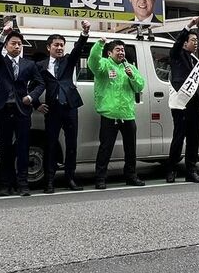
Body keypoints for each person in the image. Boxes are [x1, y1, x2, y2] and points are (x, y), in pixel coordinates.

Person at [30, 20, 91, 193]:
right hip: (52, 109)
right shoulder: (40, 66)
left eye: (61, 45)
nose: (59, 48)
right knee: (50, 144)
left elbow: (79, 48)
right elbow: (32, 87)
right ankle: (49, 181)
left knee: (71, 144)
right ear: (48, 47)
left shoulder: (68, 60)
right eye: (56, 45)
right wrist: (37, 104)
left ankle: (70, 178)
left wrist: (85, 33)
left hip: (70, 107)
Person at [0, 21, 39, 197]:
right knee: (5, 148)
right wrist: (3, 34)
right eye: (13, 43)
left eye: (19, 44)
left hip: (22, 111)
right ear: (6, 46)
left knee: (23, 147)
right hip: (4, 109)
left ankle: (22, 183)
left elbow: (40, 83)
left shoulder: (29, 64)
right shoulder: (0, 61)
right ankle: (5, 184)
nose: (17, 46)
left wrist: (31, 96)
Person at [88, 37, 146, 189]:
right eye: (117, 50)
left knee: (131, 149)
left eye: (122, 50)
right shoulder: (104, 65)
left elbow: (139, 87)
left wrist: (132, 76)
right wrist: (99, 44)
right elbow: (92, 62)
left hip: (127, 114)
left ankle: (131, 176)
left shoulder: (130, 67)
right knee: (105, 148)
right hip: (109, 114)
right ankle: (100, 178)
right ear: (109, 53)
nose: (121, 52)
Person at [167, 17, 199, 184]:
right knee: (178, 137)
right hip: (181, 104)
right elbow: (177, 43)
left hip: (194, 104)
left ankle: (191, 170)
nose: (196, 43)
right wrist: (189, 25)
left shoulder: (193, 59)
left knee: (193, 138)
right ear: (184, 43)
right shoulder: (177, 55)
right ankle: (171, 169)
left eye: (197, 41)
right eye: (193, 40)